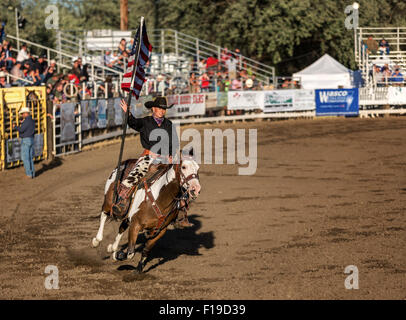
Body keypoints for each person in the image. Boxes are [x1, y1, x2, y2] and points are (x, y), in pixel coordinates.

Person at [112, 96, 192, 227]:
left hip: (166, 158)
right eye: (160, 108)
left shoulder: (169, 124)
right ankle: (122, 201)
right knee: (134, 175)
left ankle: (181, 209)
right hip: (149, 156)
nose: (162, 111)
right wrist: (128, 113)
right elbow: (133, 123)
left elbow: (174, 142)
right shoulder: (146, 122)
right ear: (153, 108)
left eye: (164, 109)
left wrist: (171, 154)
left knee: (180, 177)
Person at [13, 107, 36, 178]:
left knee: (25, 158)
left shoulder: (26, 121)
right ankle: (32, 173)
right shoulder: (32, 120)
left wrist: (15, 127)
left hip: (26, 139)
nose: (22, 115)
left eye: (23, 113)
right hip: (31, 139)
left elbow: (21, 129)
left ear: (26, 113)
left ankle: (29, 173)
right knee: (30, 158)